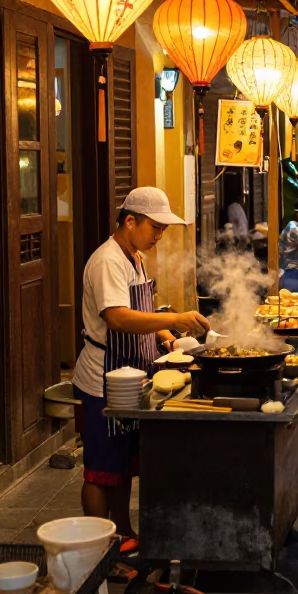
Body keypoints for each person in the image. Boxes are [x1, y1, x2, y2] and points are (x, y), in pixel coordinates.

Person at [73, 187, 210, 546]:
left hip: (133, 373)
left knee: (123, 465)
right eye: (155, 227)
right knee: (100, 470)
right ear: (129, 221)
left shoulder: (134, 256)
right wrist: (178, 318)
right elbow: (117, 318)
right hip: (103, 379)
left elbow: (144, 312)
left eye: (163, 229)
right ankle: (98, 553)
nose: (159, 236)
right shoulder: (108, 261)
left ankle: (122, 533)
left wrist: (169, 338)